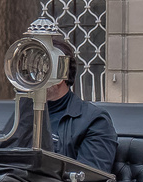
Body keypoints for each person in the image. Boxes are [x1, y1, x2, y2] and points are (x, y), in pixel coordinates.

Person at [14, 37, 118, 173]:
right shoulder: (24, 111)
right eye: (28, 71)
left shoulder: (94, 120)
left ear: (59, 75)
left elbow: (90, 177)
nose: (32, 79)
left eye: (41, 70)